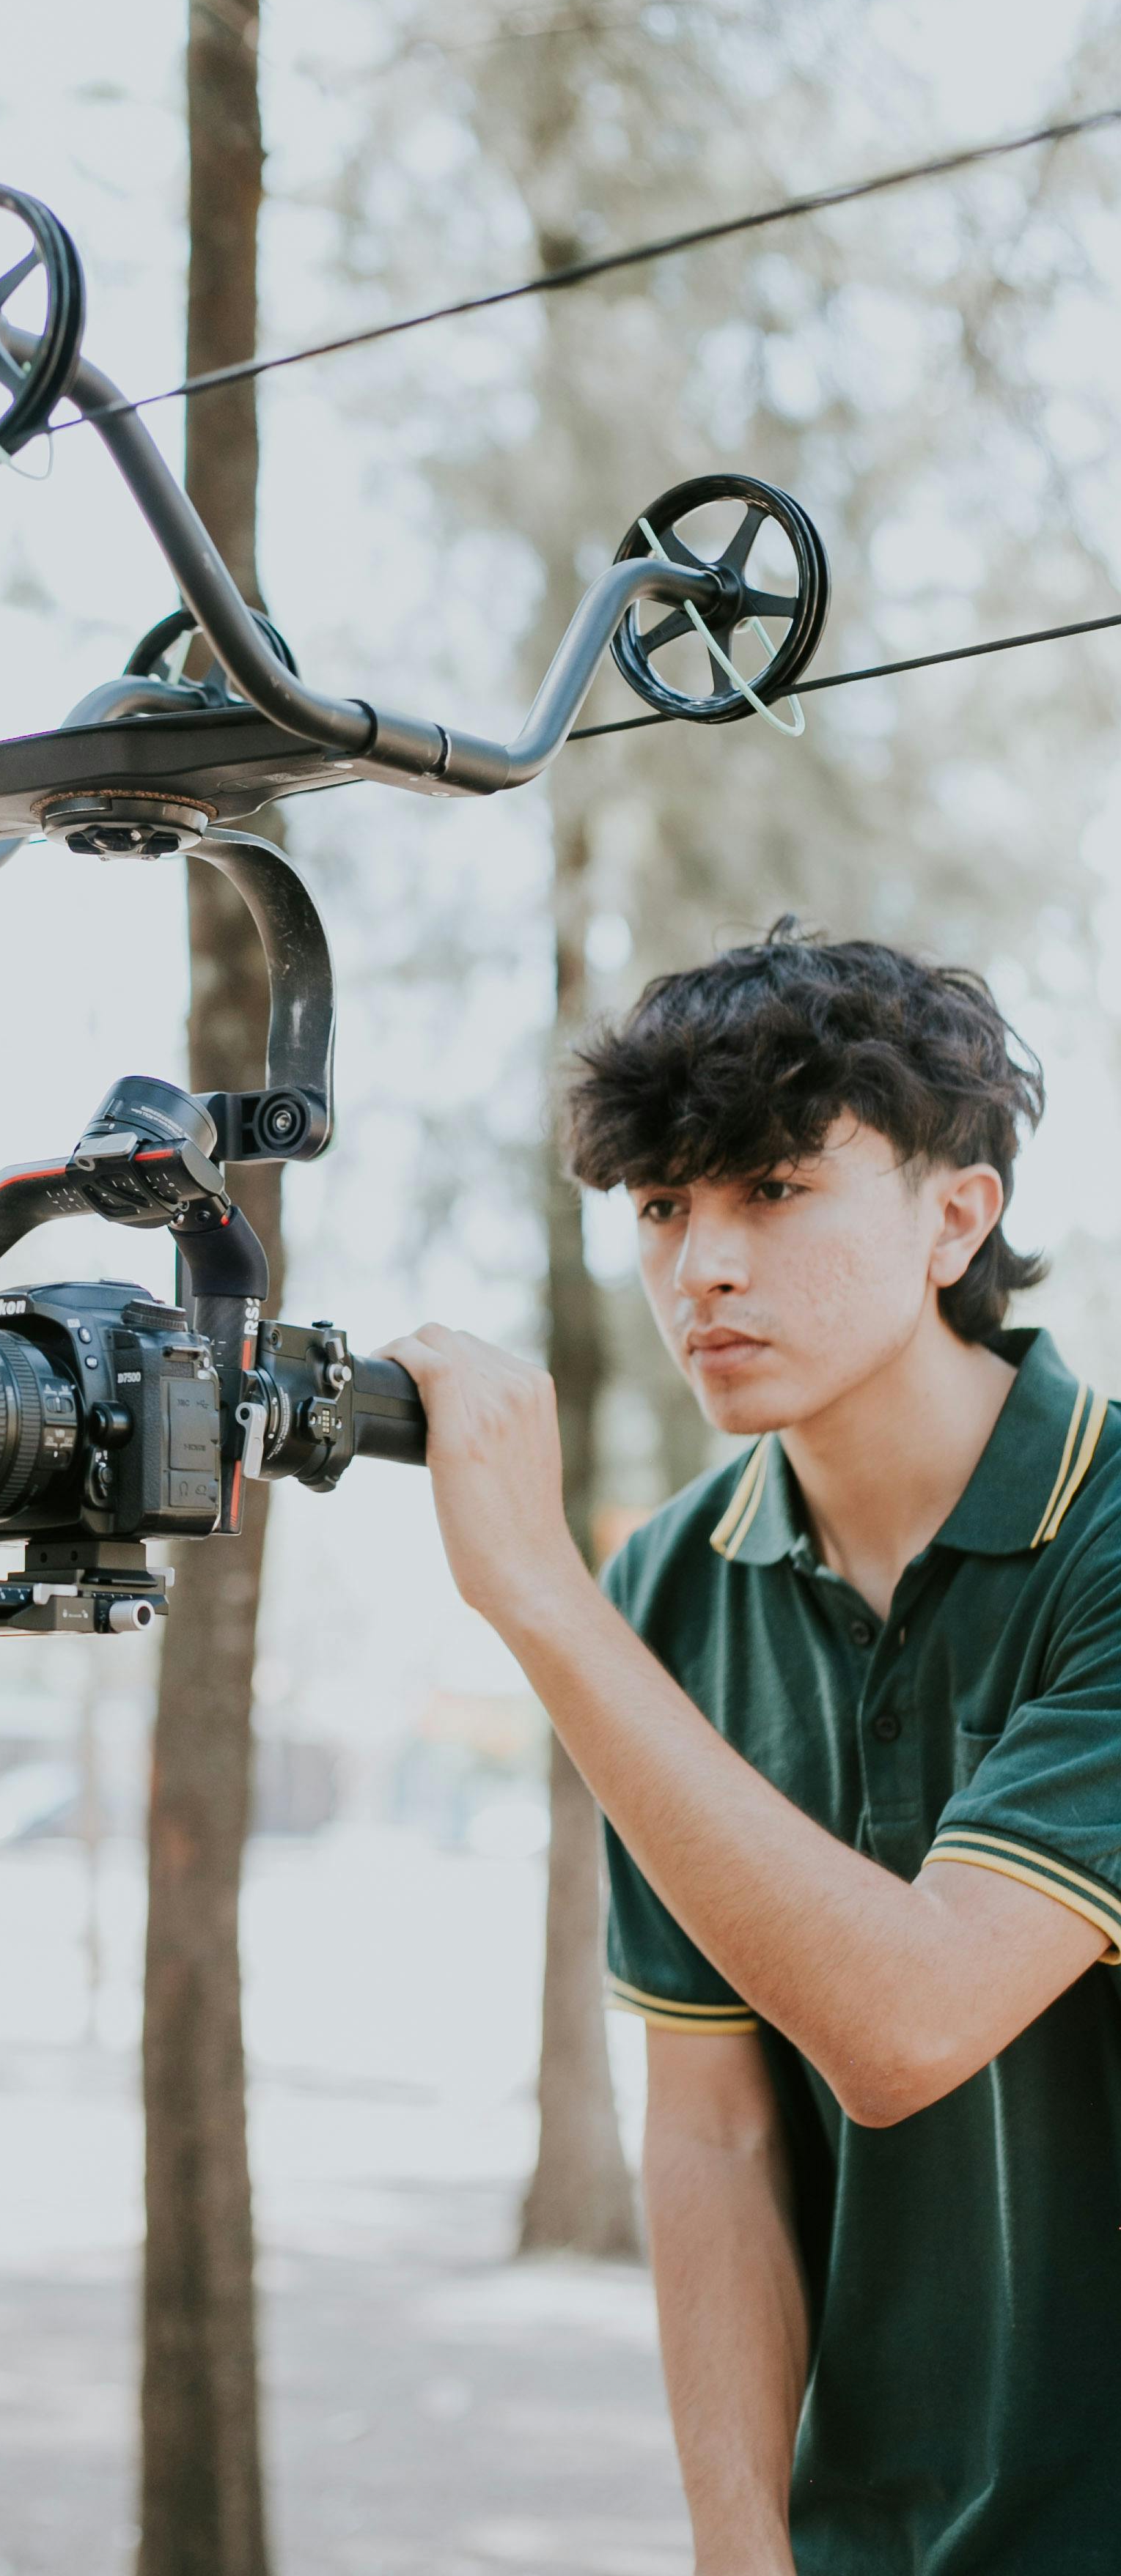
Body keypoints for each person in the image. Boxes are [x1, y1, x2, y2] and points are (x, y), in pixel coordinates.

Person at [383, 923, 1121, 2576]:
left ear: (958, 1217)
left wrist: (542, 1607)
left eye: (772, 1191)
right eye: (662, 1209)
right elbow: (710, 2122)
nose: (699, 1267)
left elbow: (910, 2023)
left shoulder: (1113, 1536)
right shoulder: (667, 1584)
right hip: (860, 2532)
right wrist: (741, 2548)